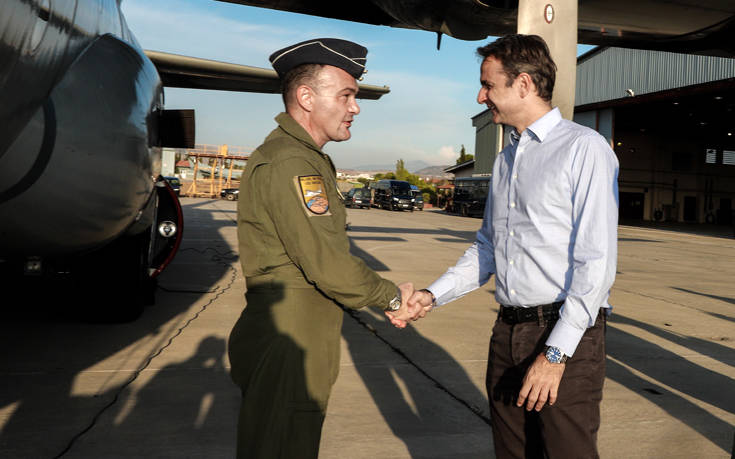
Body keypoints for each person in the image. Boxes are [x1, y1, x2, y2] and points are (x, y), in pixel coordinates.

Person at [398, 34, 619, 458]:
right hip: (508, 332)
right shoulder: (506, 160)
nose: (481, 96)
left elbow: (596, 263)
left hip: (563, 334)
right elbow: (487, 248)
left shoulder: (583, 149)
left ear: (523, 84)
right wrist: (431, 295)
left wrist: (555, 355)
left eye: (488, 85)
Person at [228, 38, 419, 459]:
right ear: (306, 97)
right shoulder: (293, 163)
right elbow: (328, 264)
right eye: (346, 95)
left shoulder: (300, 157)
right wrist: (392, 297)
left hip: (298, 329)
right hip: (291, 337)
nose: (356, 108)